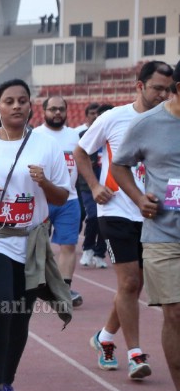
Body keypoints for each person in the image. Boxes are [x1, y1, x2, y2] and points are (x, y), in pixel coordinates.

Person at [75, 60, 174, 379]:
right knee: (130, 283)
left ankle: (104, 338)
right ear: (139, 86)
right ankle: (135, 354)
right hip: (116, 210)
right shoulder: (114, 118)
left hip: (157, 217)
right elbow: (80, 151)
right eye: (156, 88)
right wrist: (94, 185)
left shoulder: (171, 120)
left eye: (166, 89)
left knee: (135, 286)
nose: (162, 95)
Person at [0, 79, 70, 391]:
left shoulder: (45, 145)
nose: (16, 106)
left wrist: (44, 183)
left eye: (22, 100)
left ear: (31, 105)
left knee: (20, 317)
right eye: (9, 101)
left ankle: (7, 384)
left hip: (32, 242)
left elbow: (62, 197)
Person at [110, 60, 180, 391]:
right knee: (175, 314)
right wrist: (139, 198)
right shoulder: (148, 124)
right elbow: (120, 165)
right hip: (164, 235)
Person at [35, 95, 83, 306]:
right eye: (52, 109)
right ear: (43, 111)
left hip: (69, 199)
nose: (57, 113)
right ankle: (38, 286)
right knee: (37, 247)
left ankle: (64, 290)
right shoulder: (35, 136)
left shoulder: (75, 137)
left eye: (61, 109)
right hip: (41, 199)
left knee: (68, 246)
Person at [76, 102, 108, 269]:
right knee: (94, 216)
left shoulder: (114, 137)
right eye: (93, 114)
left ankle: (100, 253)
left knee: (106, 221)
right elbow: (80, 158)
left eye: (99, 114)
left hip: (109, 186)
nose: (96, 117)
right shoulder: (85, 135)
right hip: (88, 185)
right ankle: (88, 248)